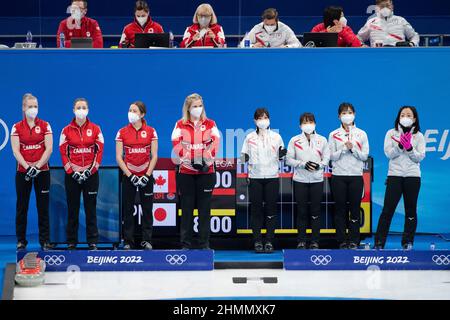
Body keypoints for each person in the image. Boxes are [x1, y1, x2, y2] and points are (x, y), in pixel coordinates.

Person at [171, 93, 220, 249]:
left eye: (200, 106)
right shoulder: (179, 125)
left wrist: (203, 160)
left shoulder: (211, 124)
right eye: (195, 106)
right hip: (186, 173)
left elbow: (215, 143)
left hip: (206, 172)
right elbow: (176, 144)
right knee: (186, 210)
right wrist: (192, 159)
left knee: (204, 210)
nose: (198, 109)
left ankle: (204, 244)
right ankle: (185, 243)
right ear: (188, 108)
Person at [374, 106, 425, 249]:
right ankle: (379, 243)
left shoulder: (419, 136)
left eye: (409, 115)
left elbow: (420, 157)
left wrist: (409, 148)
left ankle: (407, 242)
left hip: (412, 176)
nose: (406, 117)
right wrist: (399, 146)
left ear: (414, 118)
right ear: (399, 117)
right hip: (394, 175)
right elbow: (388, 154)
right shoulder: (391, 133)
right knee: (387, 210)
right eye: (403, 114)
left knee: (411, 210)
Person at [59, 98, 104, 250]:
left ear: (88, 110)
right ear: (73, 110)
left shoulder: (96, 129)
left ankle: (93, 241)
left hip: (91, 176)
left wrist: (90, 171)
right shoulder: (66, 130)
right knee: (72, 208)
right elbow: (64, 153)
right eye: (78, 107)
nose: (81, 110)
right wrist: (72, 172)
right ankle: (72, 241)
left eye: (84, 107)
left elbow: (99, 152)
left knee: (91, 208)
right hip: (72, 176)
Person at [11, 94, 53, 251]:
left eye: (35, 106)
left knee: (43, 207)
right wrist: (28, 167)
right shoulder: (16, 127)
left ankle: (45, 240)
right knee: (22, 206)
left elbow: (49, 148)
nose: (33, 109)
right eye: (30, 106)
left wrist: (37, 166)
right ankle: (21, 240)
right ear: (23, 107)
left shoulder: (45, 125)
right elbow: (15, 150)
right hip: (23, 172)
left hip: (42, 171)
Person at [241, 108, 286, 253]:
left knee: (271, 210)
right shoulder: (249, 137)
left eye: (266, 117)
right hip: (255, 177)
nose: (263, 120)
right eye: (260, 118)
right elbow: (242, 157)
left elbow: (282, 157)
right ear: (255, 121)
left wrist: (282, 155)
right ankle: (257, 241)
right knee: (256, 211)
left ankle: (269, 241)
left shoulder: (276, 137)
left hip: (272, 177)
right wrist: (245, 159)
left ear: (269, 120)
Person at [116, 101, 158, 250]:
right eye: (129, 110)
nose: (131, 113)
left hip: (146, 176)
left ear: (142, 114)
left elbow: (154, 156)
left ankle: (147, 240)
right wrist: (130, 175)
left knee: (147, 210)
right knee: (128, 210)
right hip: (129, 177)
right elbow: (119, 158)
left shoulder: (152, 131)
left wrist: (147, 175)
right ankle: (128, 241)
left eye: (134, 111)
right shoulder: (122, 132)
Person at [328, 103, 369, 249]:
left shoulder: (362, 134)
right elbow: (331, 156)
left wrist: (353, 150)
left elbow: (364, 156)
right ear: (339, 116)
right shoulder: (333, 134)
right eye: (344, 113)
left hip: (355, 177)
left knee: (355, 209)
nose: (347, 115)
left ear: (355, 114)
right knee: (340, 210)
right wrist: (343, 149)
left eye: (350, 112)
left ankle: (354, 240)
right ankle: (341, 240)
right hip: (338, 176)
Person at [286, 113, 330, 250]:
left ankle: (315, 241)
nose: (308, 124)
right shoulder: (294, 140)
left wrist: (320, 165)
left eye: (310, 122)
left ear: (315, 124)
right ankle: (301, 241)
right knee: (302, 211)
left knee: (316, 211)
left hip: (317, 179)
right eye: (305, 122)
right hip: (300, 180)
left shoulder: (322, 140)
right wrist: (302, 164)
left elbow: (327, 158)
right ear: (300, 125)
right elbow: (289, 159)